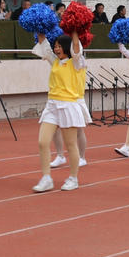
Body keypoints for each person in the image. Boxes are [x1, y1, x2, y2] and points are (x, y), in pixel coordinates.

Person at [32, 32, 87, 192]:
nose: (56, 49)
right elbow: (44, 44)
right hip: (52, 105)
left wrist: (75, 30)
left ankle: (73, 178)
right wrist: (39, 28)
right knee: (43, 142)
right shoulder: (55, 61)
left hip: (68, 105)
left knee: (71, 145)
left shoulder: (76, 62)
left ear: (67, 47)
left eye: (59, 46)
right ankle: (46, 178)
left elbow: (76, 47)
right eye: (55, 46)